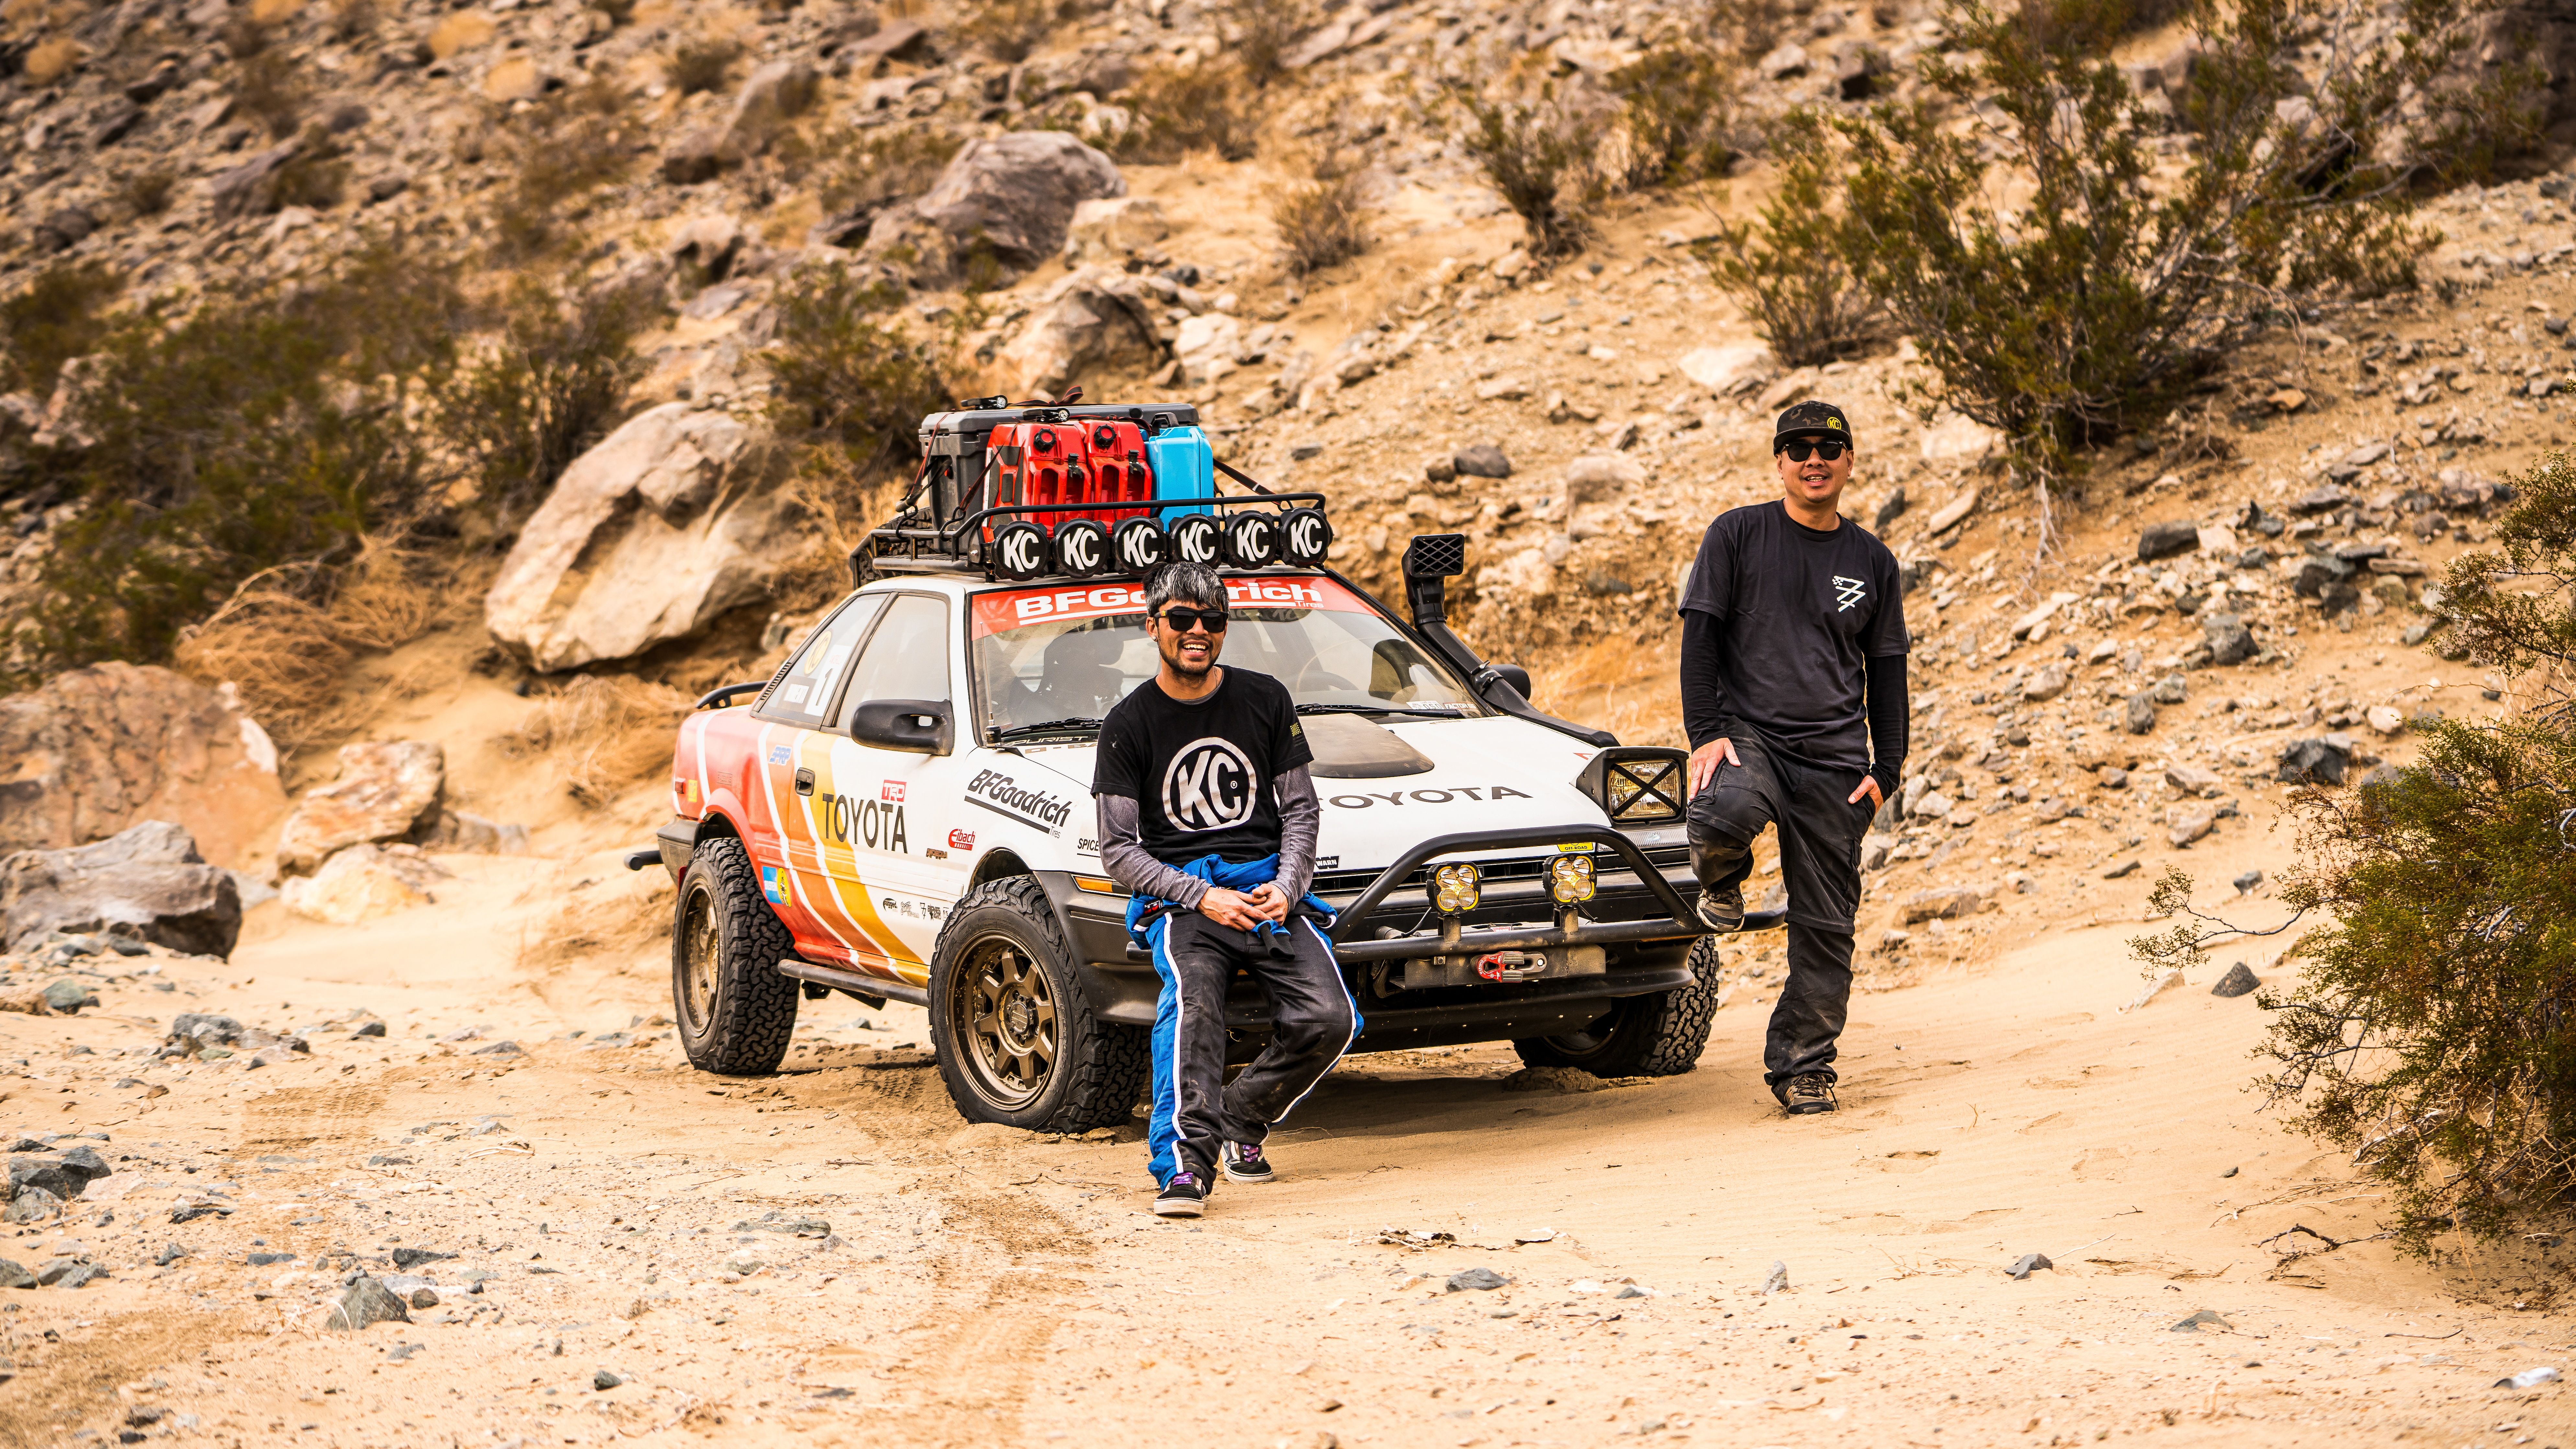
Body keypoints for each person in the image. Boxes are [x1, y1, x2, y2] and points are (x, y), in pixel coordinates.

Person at [1092, 560, 1360, 1217]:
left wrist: (1288, 887)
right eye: (1181, 618)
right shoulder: (1127, 724)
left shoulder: (1265, 698)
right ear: (1152, 625)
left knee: (1330, 1019)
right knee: (1192, 1014)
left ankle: (1240, 1118)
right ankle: (1183, 1167)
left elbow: (1299, 808)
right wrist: (1198, 896)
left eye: (1211, 620)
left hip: (1266, 894)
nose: (1197, 631)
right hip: (1186, 902)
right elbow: (1117, 850)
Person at [1677, 400, 1909, 1117]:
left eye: (1829, 447)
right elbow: (1701, 639)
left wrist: (1888, 769)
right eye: (1799, 447)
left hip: (1838, 763)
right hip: (1752, 736)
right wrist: (1705, 731)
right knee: (1721, 815)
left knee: (1827, 924)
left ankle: (1804, 1067)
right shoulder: (1738, 533)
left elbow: (1888, 669)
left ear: (1848, 461)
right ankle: (1721, 883)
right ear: (1778, 461)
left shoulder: (1871, 560)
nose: (1815, 459)